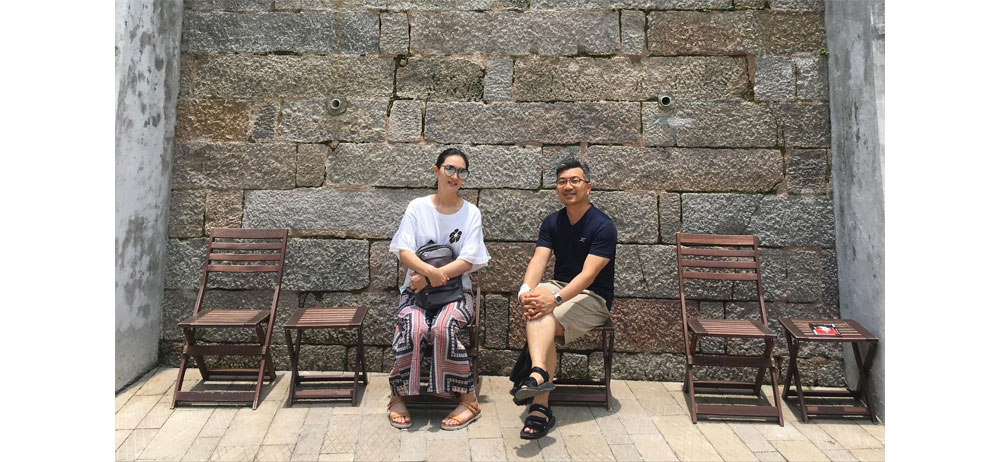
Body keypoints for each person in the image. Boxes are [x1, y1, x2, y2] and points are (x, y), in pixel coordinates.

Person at [386, 148, 491, 430]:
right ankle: (398, 396)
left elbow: (468, 260)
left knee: (443, 328)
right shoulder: (417, 207)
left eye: (461, 171)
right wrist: (428, 273)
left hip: (457, 294)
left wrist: (430, 277)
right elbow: (404, 251)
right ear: (436, 171)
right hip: (415, 293)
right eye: (449, 169)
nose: (455, 176)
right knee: (414, 327)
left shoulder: (471, 213)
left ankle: (469, 400)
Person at [514, 159, 617, 439]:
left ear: (588, 187)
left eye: (574, 181)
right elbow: (539, 259)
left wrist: (555, 299)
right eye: (562, 182)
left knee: (546, 312)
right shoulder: (552, 221)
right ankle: (539, 374)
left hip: (593, 296)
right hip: (558, 287)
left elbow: (588, 275)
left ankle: (540, 405)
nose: (568, 186)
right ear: (556, 187)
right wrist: (526, 290)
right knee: (538, 303)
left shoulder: (603, 226)